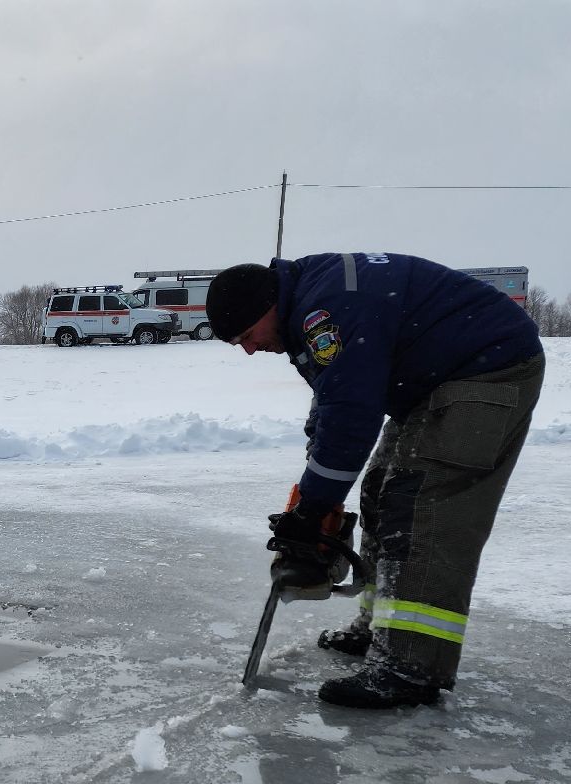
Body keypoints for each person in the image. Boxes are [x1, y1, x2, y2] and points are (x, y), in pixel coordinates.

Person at [206, 254, 544, 708]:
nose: (248, 349)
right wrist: (312, 495)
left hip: (486, 371)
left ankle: (410, 666)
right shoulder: (305, 304)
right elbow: (333, 400)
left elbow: (350, 416)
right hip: (432, 385)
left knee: (422, 508)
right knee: (380, 493)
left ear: (267, 306)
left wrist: (311, 507)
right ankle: (379, 630)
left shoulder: (323, 312)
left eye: (247, 336)